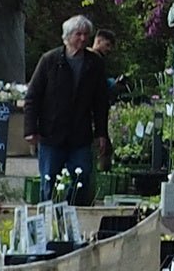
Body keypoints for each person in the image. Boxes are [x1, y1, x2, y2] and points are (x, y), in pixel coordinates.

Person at [24, 15, 110, 203]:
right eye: (78, 34)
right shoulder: (49, 60)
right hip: (51, 133)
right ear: (67, 36)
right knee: (49, 181)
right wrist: (30, 130)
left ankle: (74, 214)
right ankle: (48, 219)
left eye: (86, 35)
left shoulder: (94, 64)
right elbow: (32, 97)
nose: (83, 38)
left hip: (80, 134)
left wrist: (101, 133)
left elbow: (101, 101)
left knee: (82, 178)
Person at [90, 29, 118, 171]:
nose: (109, 49)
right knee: (104, 150)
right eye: (107, 45)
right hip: (93, 114)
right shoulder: (94, 59)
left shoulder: (97, 60)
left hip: (97, 113)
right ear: (98, 41)